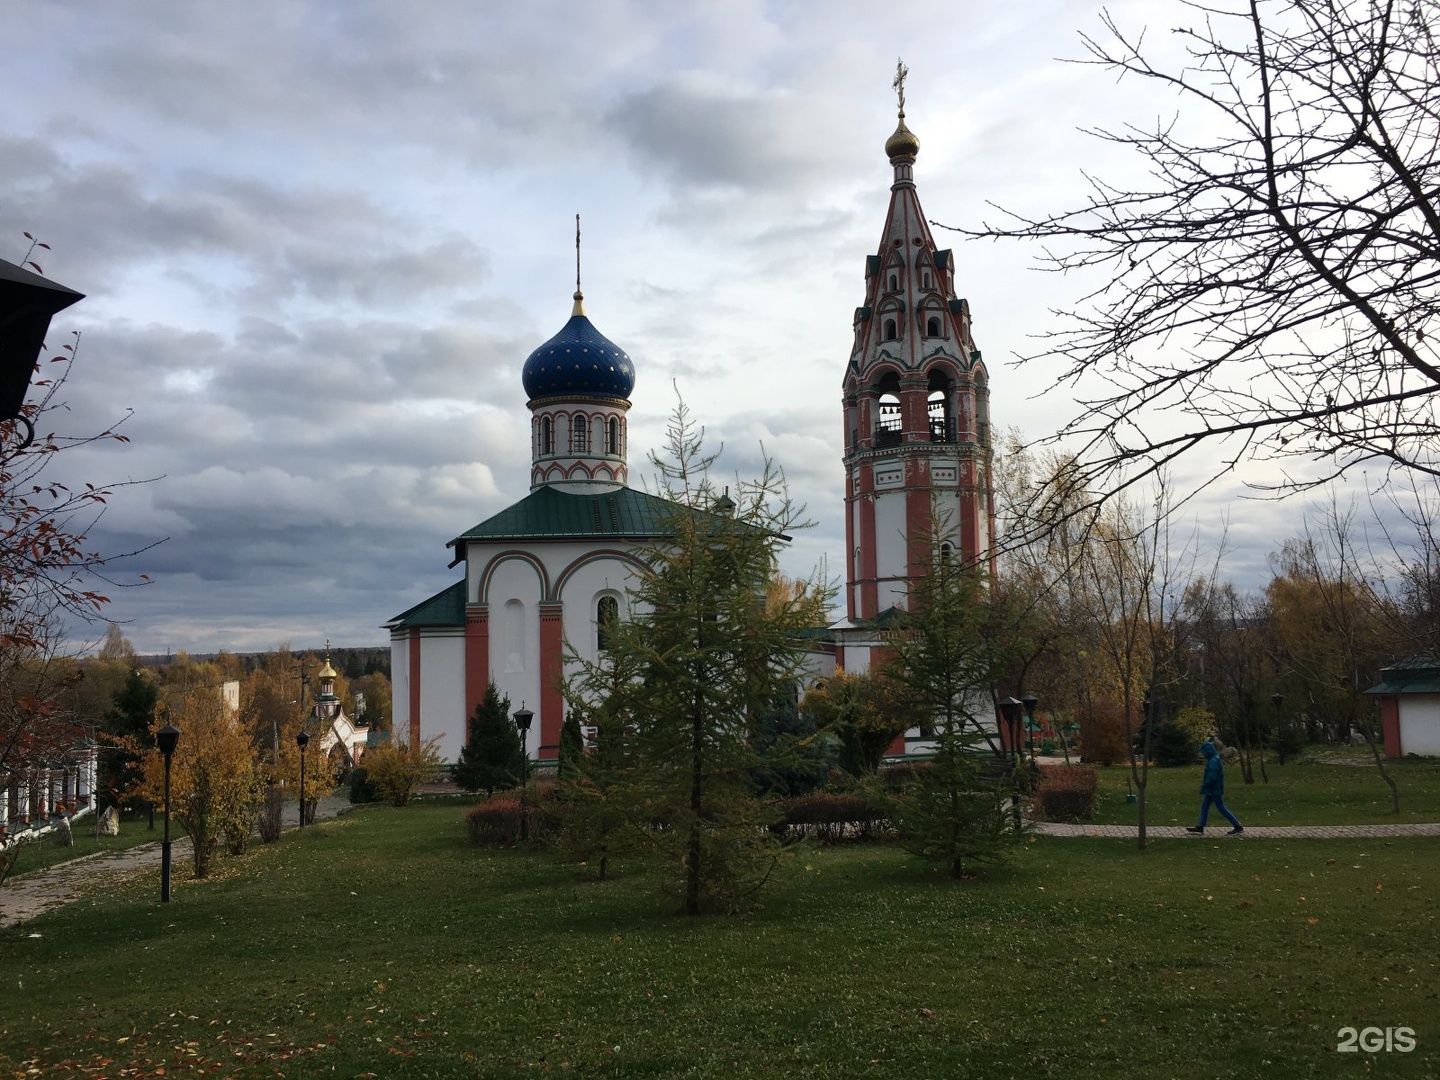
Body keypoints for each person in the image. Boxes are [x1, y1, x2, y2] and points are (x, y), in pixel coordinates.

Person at [1185, 741, 1242, 836]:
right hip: (1212, 789)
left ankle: (1237, 826)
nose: (1203, 754)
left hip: (1214, 789)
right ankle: (1200, 827)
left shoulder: (1213, 761)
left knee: (1221, 807)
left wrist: (1205, 785)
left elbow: (1212, 776)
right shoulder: (1213, 759)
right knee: (1205, 807)